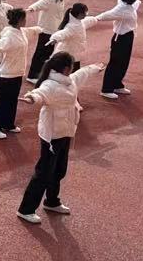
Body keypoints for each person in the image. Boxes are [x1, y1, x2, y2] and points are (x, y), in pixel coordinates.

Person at [16, 54, 105, 224]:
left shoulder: (69, 81)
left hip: (65, 132)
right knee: (43, 172)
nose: (73, 69)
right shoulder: (50, 85)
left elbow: (82, 73)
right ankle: (25, 209)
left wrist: (95, 67)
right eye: (71, 66)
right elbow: (40, 93)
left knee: (59, 170)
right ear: (65, 68)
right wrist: (31, 98)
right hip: (52, 136)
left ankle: (52, 201)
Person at [0, 8, 43, 139]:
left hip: (17, 72)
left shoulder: (20, 31)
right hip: (8, 74)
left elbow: (30, 30)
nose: (26, 21)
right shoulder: (9, 35)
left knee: (12, 100)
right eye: (24, 19)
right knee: (2, 102)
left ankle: (8, 124)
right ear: (19, 20)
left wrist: (40, 29)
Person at [26, 0, 79, 83]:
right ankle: (32, 75)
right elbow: (38, 4)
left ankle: (39, 74)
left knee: (46, 53)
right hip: (45, 30)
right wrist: (30, 9)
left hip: (52, 30)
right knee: (41, 53)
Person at [96, 0, 141, 100]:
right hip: (120, 38)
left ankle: (117, 85)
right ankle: (106, 89)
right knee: (115, 63)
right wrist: (95, 19)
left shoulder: (129, 6)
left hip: (128, 36)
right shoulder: (121, 9)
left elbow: (136, 5)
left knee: (124, 63)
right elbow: (107, 15)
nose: (136, 0)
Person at [47, 3, 97, 71]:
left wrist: (97, 18)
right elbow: (63, 33)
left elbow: (87, 21)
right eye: (85, 13)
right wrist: (55, 39)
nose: (86, 14)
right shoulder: (72, 26)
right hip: (68, 55)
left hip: (73, 54)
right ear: (79, 14)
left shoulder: (79, 22)